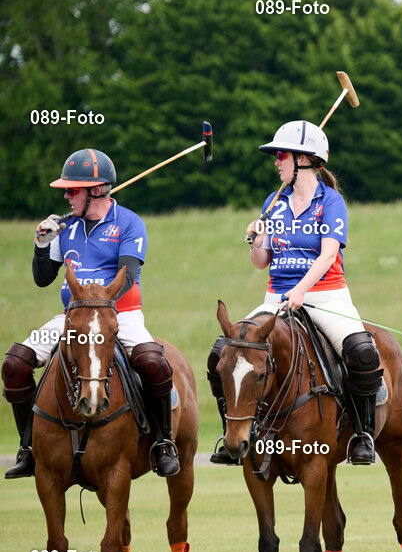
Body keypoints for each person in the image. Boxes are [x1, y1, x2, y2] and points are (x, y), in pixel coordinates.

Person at [207, 120, 381, 466]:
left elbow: (329, 254)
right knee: (222, 353)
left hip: (326, 295)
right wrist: (256, 239)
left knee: (362, 352)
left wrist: (301, 290)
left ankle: (362, 433)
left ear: (304, 159)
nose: (276, 162)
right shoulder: (274, 202)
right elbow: (261, 262)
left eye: (281, 155)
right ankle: (235, 433)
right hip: (276, 299)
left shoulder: (330, 202)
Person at [2, 149, 179, 478]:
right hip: (70, 320)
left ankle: (162, 442)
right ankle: (29, 448)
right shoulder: (64, 228)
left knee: (153, 363)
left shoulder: (129, 223)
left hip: (120, 317)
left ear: (96, 190)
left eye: (72, 190)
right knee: (15, 363)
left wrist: (95, 302)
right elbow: (43, 279)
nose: (66, 196)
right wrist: (42, 245)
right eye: (66, 190)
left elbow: (128, 276)